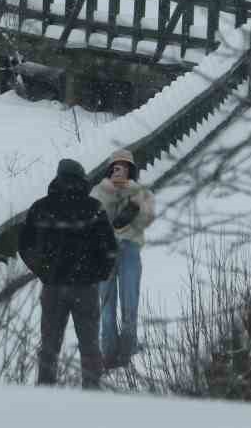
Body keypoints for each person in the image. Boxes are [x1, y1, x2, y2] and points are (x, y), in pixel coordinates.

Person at [17, 157, 118, 389]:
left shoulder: (40, 208)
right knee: (90, 346)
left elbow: (24, 245)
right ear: (82, 179)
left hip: (53, 287)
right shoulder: (94, 208)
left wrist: (43, 271)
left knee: (49, 346)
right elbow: (110, 248)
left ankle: (45, 392)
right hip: (86, 288)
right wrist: (98, 274)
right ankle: (91, 394)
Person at [92, 147, 155, 370]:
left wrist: (133, 201)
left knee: (129, 302)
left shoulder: (140, 192)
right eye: (118, 167)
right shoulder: (100, 191)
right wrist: (111, 193)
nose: (121, 172)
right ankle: (109, 353)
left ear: (131, 170)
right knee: (108, 305)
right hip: (106, 252)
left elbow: (146, 220)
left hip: (128, 249)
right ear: (111, 170)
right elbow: (96, 221)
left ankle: (125, 352)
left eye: (125, 167)